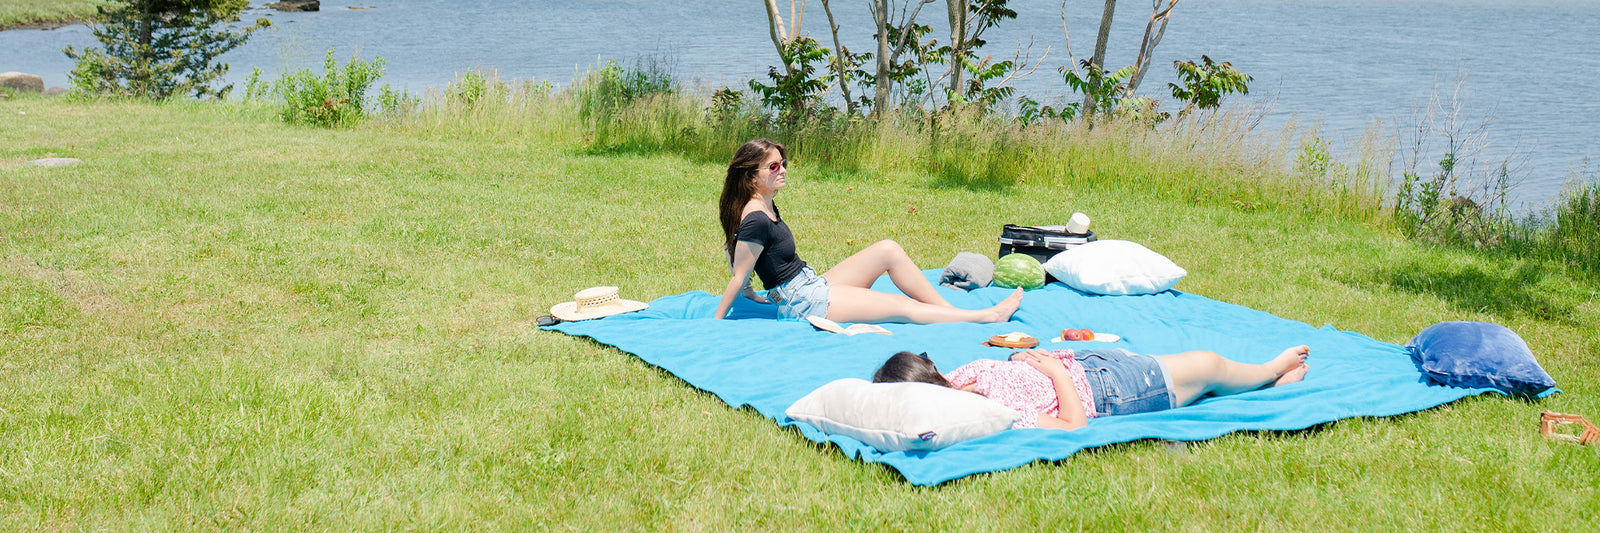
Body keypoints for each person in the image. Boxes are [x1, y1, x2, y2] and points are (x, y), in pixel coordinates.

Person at [714, 138, 1023, 323]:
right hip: (803, 302)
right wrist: (715, 324)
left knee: (887, 249)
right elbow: (739, 274)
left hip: (809, 285)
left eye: (782, 163)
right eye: (773, 167)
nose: (782, 170)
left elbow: (744, 261)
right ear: (751, 176)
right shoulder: (755, 217)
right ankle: (984, 317)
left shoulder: (764, 202)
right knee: (901, 307)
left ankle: (948, 313)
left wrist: (754, 295)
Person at [872, 346, 1311, 431]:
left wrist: (1024, 359)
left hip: (1092, 362)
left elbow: (1011, 371)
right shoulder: (992, 414)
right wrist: (1058, 375)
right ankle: (1271, 373)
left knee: (1202, 375)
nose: (937, 361)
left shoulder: (965, 375)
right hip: (1111, 392)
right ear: (928, 378)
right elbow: (1071, 425)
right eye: (929, 362)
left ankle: (1264, 379)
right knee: (1210, 366)